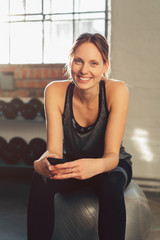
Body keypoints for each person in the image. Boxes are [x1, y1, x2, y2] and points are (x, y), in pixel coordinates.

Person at [27, 33, 132, 240]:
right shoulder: (55, 91)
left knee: (111, 184)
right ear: (70, 61)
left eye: (94, 63)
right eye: (78, 61)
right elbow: (54, 151)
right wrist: (41, 163)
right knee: (42, 179)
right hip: (73, 164)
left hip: (110, 166)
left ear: (105, 66)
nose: (84, 70)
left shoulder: (117, 90)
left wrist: (95, 166)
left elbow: (112, 155)